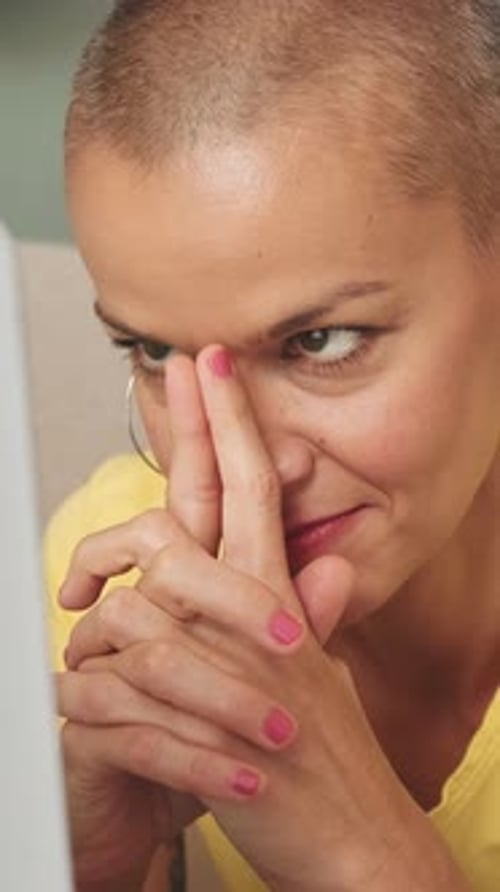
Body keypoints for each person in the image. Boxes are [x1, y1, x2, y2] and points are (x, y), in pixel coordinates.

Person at [47, 1, 500, 889]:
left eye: (320, 343)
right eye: (154, 350)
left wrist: (368, 855)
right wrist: (86, 866)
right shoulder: (111, 580)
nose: (244, 464)